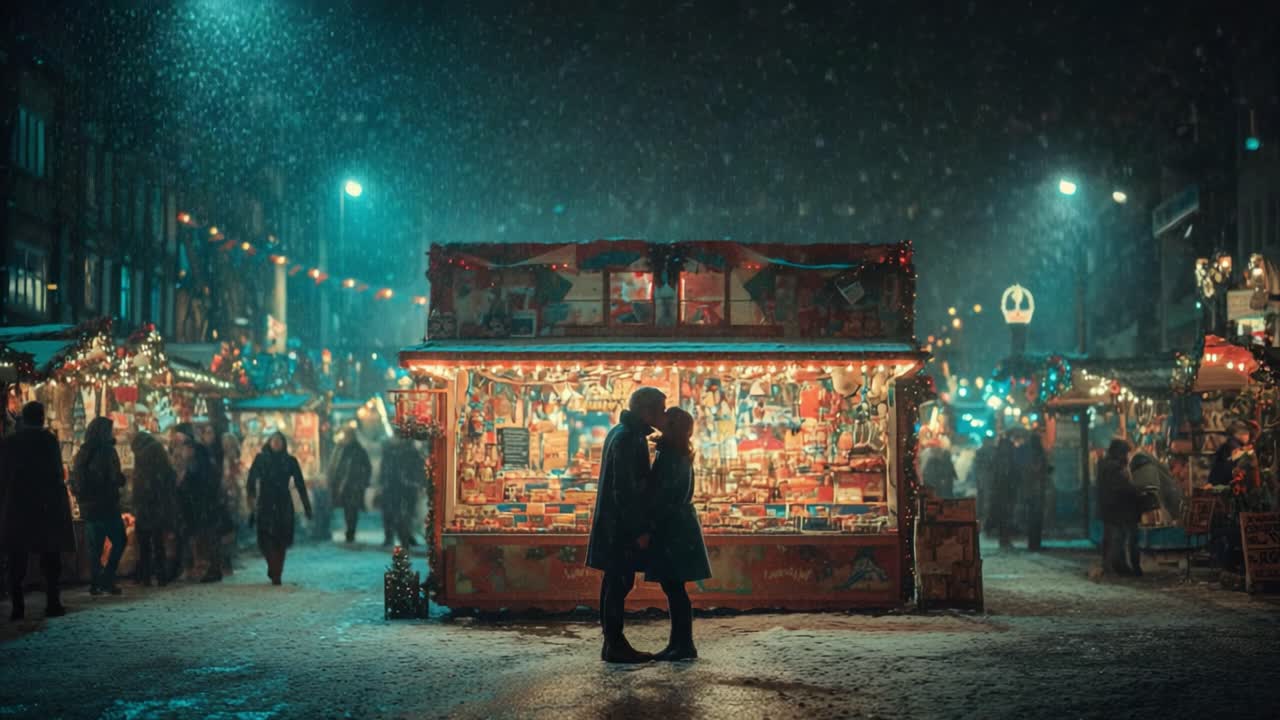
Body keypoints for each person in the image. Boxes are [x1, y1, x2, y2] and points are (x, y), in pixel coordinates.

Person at [586, 386, 666, 664]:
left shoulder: (620, 433)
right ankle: (615, 645)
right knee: (619, 584)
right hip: (620, 529)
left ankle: (612, 643)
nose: (664, 415)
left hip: (613, 526)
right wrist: (639, 530)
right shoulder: (630, 439)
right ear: (647, 411)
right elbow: (626, 490)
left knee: (614, 584)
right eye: (661, 409)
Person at [644, 407, 711, 662]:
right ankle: (679, 643)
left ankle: (683, 645)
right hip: (678, 526)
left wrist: (651, 524)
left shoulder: (671, 455)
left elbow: (665, 495)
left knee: (674, 588)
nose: (659, 418)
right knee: (674, 588)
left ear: (671, 425)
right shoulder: (678, 452)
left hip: (673, 528)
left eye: (665, 417)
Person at [1, 402, 74, 620]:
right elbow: (55, 475)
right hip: (45, 507)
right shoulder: (48, 441)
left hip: (18, 506)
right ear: (41, 418)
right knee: (50, 558)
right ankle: (52, 603)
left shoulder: (10, 443)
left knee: (17, 559)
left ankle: (17, 607)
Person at [71, 417, 128, 595]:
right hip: (106, 505)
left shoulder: (83, 451)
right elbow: (113, 477)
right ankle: (107, 578)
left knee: (95, 547)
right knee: (119, 540)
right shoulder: (107, 451)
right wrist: (122, 479)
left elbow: (77, 479)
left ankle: (96, 582)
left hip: (89, 507)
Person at [247, 431, 313, 585]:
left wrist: (307, 507)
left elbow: (300, 484)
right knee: (265, 539)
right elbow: (251, 481)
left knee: (280, 540)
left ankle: (277, 572)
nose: (276, 443)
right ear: (269, 442)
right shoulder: (261, 459)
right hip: (265, 502)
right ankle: (272, 565)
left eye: (279, 441)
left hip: (283, 502)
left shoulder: (290, 461)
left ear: (284, 444)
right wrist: (251, 501)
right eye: (274, 440)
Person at [172, 423, 224, 583]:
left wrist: (183, 483)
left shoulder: (198, 462)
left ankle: (208, 568)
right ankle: (205, 568)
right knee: (201, 537)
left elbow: (198, 482)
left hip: (200, 505)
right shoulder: (202, 458)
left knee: (203, 538)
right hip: (199, 505)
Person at [130, 431, 179, 587]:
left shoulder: (142, 456)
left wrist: (136, 502)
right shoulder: (159, 453)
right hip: (159, 505)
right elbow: (170, 479)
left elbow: (139, 486)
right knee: (158, 543)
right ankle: (161, 576)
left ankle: (145, 577)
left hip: (145, 505)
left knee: (144, 544)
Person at [1097, 438, 1141, 576]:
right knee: (1118, 537)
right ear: (1119, 453)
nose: (1126, 457)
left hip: (1107, 507)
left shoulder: (1104, 464)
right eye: (1125, 454)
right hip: (1115, 508)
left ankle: (1111, 565)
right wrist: (1136, 490)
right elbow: (1121, 487)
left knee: (1112, 537)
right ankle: (1117, 566)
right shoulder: (1114, 468)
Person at [379, 433, 424, 547]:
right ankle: (400, 537)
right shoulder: (392, 452)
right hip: (395, 486)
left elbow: (417, 469)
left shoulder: (408, 452)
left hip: (403, 486)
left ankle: (404, 537)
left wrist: (416, 482)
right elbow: (385, 469)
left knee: (404, 514)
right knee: (396, 513)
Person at [328, 428, 372, 543]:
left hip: (352, 485)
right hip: (345, 485)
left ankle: (350, 532)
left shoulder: (356, 450)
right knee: (349, 509)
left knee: (351, 509)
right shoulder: (342, 449)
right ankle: (349, 531)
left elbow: (366, 468)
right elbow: (336, 466)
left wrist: (362, 482)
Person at [1021, 431, 1051, 551]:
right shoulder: (1038, 455)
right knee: (1036, 518)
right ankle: (1035, 544)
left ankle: (1033, 543)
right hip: (1037, 490)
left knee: (1033, 518)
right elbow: (1036, 470)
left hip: (1031, 490)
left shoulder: (1028, 454)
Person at [973, 436, 998, 531]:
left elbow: (976, 467)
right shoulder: (990, 452)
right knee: (986, 501)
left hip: (982, 480)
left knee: (982, 501)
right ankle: (984, 522)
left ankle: (982, 522)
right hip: (987, 480)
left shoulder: (980, 452)